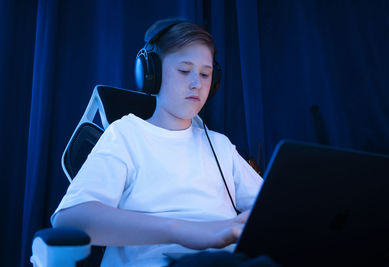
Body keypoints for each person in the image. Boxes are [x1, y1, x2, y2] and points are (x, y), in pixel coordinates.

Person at [52, 18, 265, 267]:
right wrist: (182, 230)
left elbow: (270, 208)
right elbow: (71, 219)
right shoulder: (127, 135)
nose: (197, 83)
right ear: (150, 73)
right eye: (184, 71)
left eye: (205, 74)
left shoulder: (220, 146)